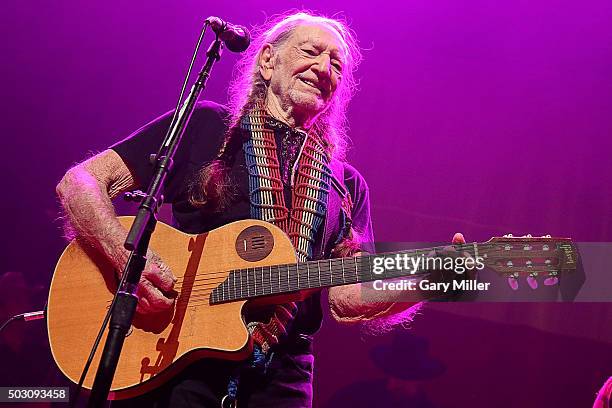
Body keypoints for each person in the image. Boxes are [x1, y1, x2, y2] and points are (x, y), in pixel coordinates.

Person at [56, 11, 464, 407]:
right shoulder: (208, 129)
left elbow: (348, 296)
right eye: (311, 52)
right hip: (173, 354)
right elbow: (81, 182)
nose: (324, 68)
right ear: (268, 61)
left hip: (281, 377)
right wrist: (125, 257)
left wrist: (430, 279)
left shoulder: (348, 184)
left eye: (337, 64)